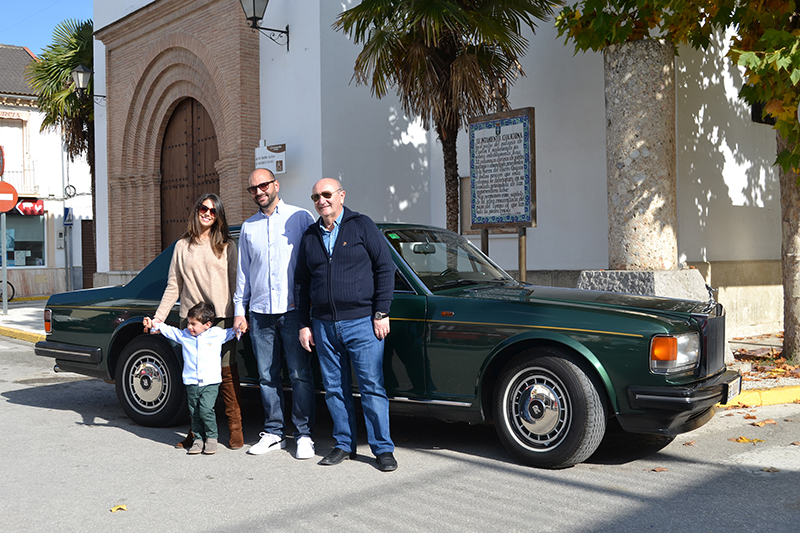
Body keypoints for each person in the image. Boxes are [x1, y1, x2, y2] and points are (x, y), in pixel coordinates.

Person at [295, 178, 398, 472]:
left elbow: (385, 268)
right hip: (324, 326)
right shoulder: (310, 236)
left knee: (372, 387)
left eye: (326, 194)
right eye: (315, 196)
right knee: (334, 389)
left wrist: (381, 312)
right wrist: (304, 324)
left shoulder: (361, 225)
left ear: (341, 195)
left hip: (362, 323)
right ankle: (343, 444)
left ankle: (382, 449)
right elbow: (301, 283)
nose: (321, 200)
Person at [233, 168, 317, 460]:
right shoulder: (248, 227)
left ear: (276, 185)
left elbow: (312, 264)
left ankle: (304, 434)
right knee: (267, 376)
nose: (259, 192)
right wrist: (239, 311)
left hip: (293, 311)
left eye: (263, 185)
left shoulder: (300, 217)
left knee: (299, 375)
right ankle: (274, 432)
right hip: (259, 314)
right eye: (253, 188)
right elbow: (243, 273)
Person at [150, 193, 243, 449]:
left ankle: (236, 427)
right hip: (190, 321)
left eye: (213, 211)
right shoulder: (182, 246)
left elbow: (236, 284)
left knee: (225, 374)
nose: (207, 213)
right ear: (196, 210)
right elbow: (173, 285)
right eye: (203, 208)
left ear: (218, 216)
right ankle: (196, 433)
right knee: (193, 377)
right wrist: (158, 318)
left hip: (221, 319)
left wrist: (239, 314)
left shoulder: (227, 245)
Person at [143, 303, 238, 455]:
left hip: (210, 382)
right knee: (194, 413)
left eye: (194, 324)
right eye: (188, 322)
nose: (189, 326)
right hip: (191, 382)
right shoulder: (185, 335)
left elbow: (232, 332)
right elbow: (169, 330)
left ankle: (212, 438)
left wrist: (241, 327)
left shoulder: (216, 334)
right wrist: (153, 322)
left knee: (206, 410)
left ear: (207, 324)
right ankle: (198, 439)